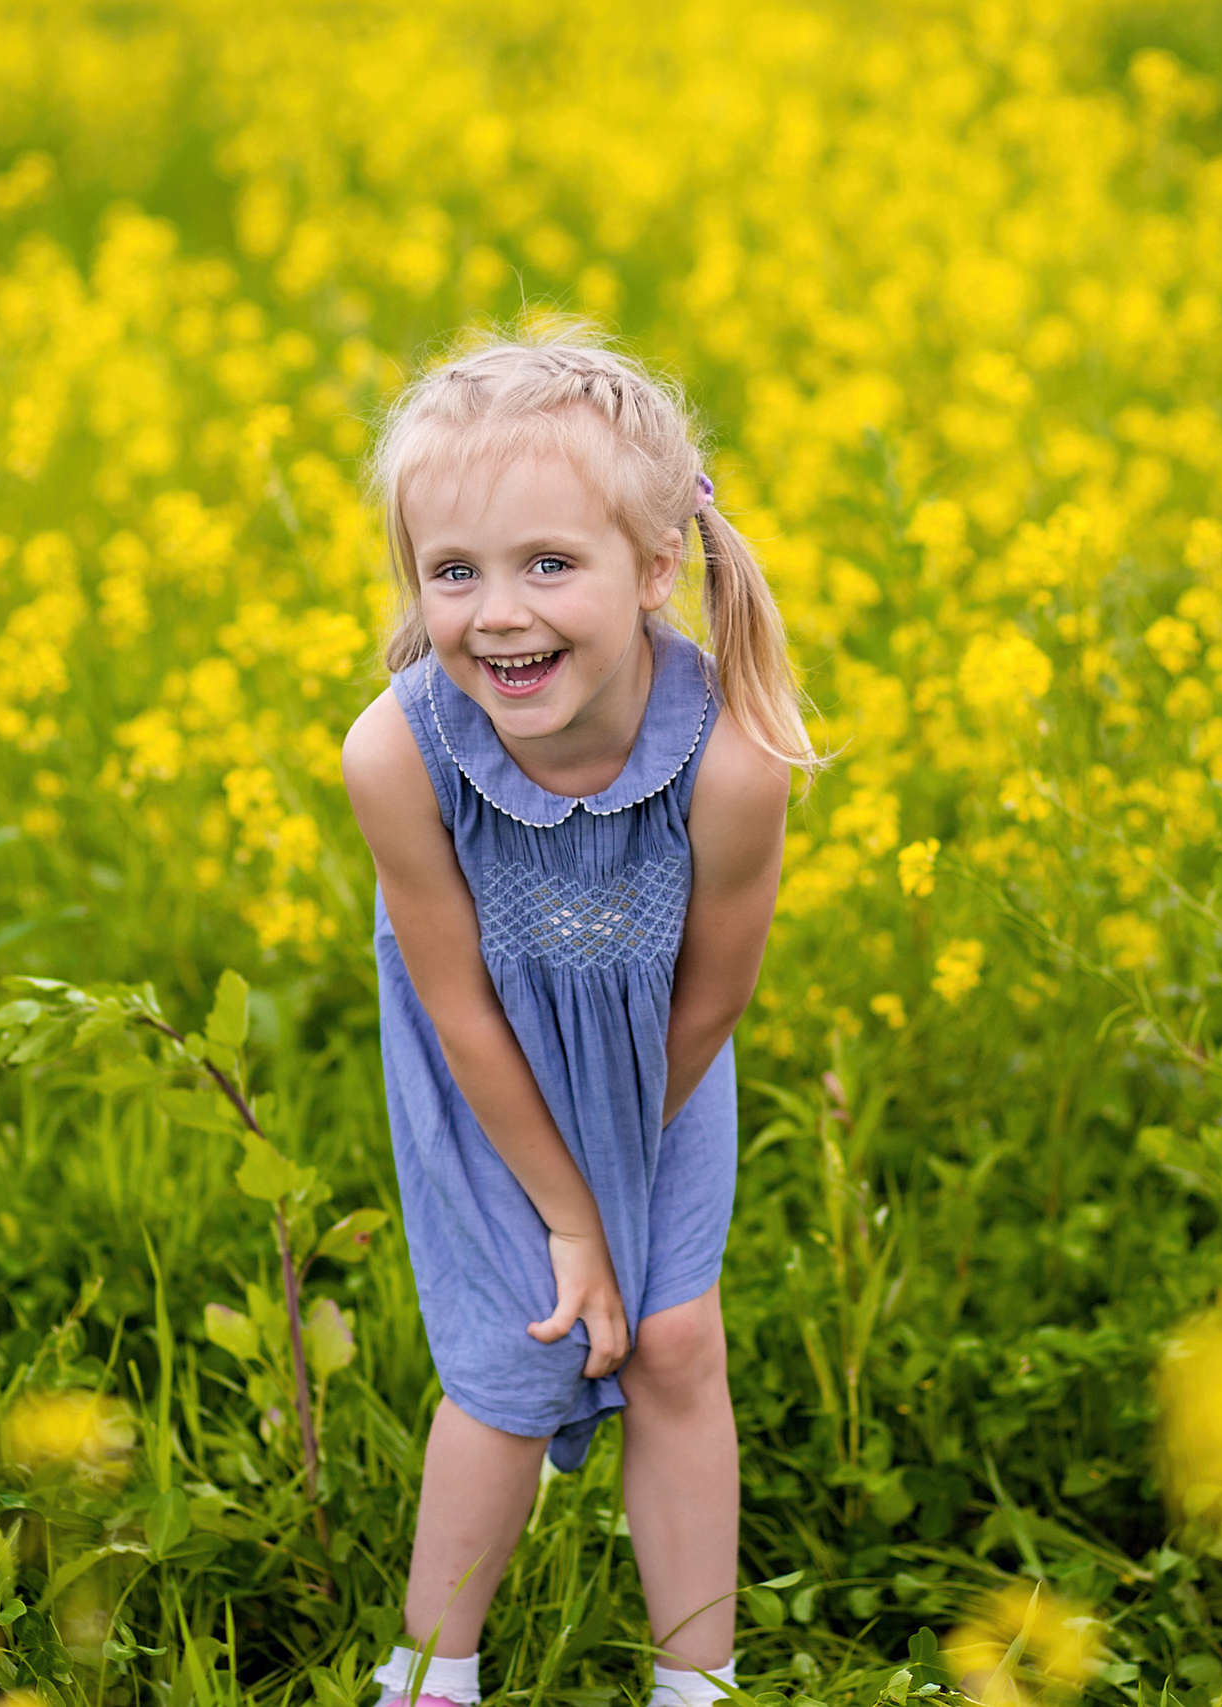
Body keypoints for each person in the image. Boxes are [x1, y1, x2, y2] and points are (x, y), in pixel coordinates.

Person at [340, 327, 813, 1707]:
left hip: (665, 1068)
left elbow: (715, 992)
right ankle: (430, 1677)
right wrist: (568, 1212)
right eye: (455, 572)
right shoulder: (396, 753)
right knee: (519, 1353)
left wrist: (616, 1172)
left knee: (674, 1342)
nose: (499, 614)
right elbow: (456, 1004)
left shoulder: (731, 761)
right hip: (486, 1073)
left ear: (657, 565)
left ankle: (698, 1685)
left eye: (549, 564)